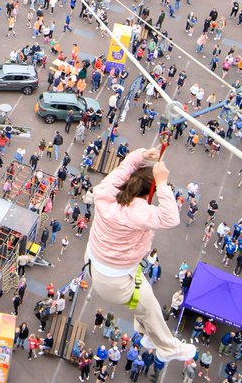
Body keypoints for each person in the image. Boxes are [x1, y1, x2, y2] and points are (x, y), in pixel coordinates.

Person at [85, 145, 197, 362]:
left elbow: (127, 165)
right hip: (113, 279)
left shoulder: (108, 189)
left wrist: (143, 156)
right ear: (148, 194)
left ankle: (147, 335)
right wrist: (162, 184)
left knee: (144, 295)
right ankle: (167, 347)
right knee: (150, 308)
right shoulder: (138, 212)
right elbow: (170, 218)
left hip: (96, 262)